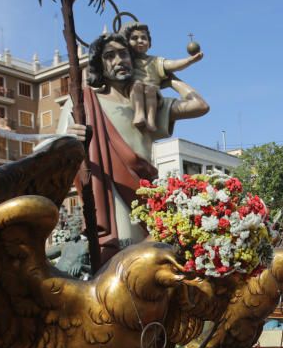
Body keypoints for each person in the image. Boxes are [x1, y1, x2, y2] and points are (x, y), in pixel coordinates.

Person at [61, 31, 209, 262]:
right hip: (110, 196)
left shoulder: (150, 102)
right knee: (119, 266)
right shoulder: (83, 102)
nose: (119, 60)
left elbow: (199, 105)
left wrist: (169, 79)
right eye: (110, 56)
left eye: (124, 54)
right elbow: (50, 153)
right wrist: (69, 140)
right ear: (99, 64)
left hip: (146, 196)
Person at [119, 22, 203, 133]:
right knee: (137, 85)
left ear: (149, 43)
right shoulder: (126, 61)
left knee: (151, 90)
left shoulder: (155, 61)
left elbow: (173, 65)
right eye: (134, 38)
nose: (140, 41)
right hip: (133, 91)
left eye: (144, 38)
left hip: (152, 92)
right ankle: (139, 115)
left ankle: (151, 121)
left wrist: (189, 60)